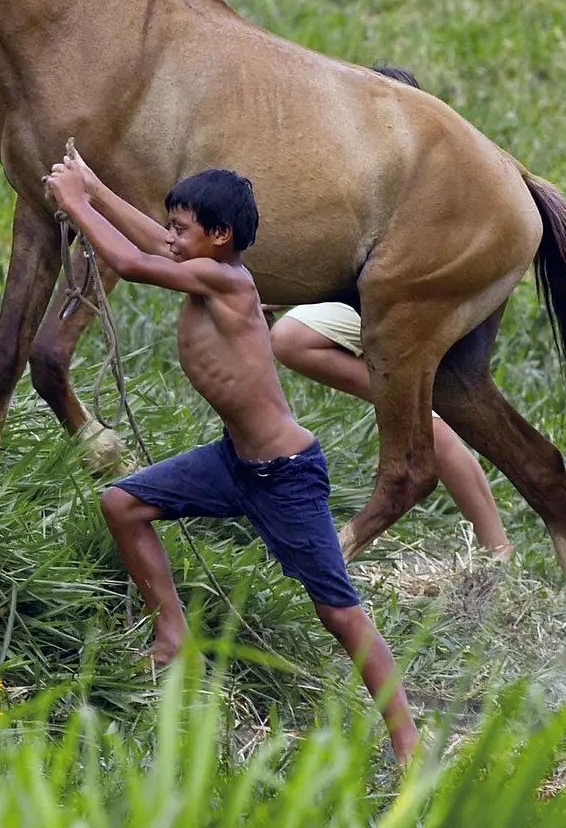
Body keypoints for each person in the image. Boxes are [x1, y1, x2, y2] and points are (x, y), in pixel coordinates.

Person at [43, 146, 418, 763]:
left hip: (284, 476)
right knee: (123, 503)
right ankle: (171, 636)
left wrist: (78, 205)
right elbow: (154, 244)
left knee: (338, 610)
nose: (171, 237)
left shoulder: (225, 279)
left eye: (182, 229)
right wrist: (96, 188)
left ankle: (408, 740)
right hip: (233, 463)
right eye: (172, 225)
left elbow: (134, 263)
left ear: (219, 237)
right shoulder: (202, 260)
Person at [270, 62, 513, 561]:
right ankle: (496, 545)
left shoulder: (421, 200)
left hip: (407, 316)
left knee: (419, 418)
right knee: (424, 417)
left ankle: (497, 547)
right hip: (384, 309)